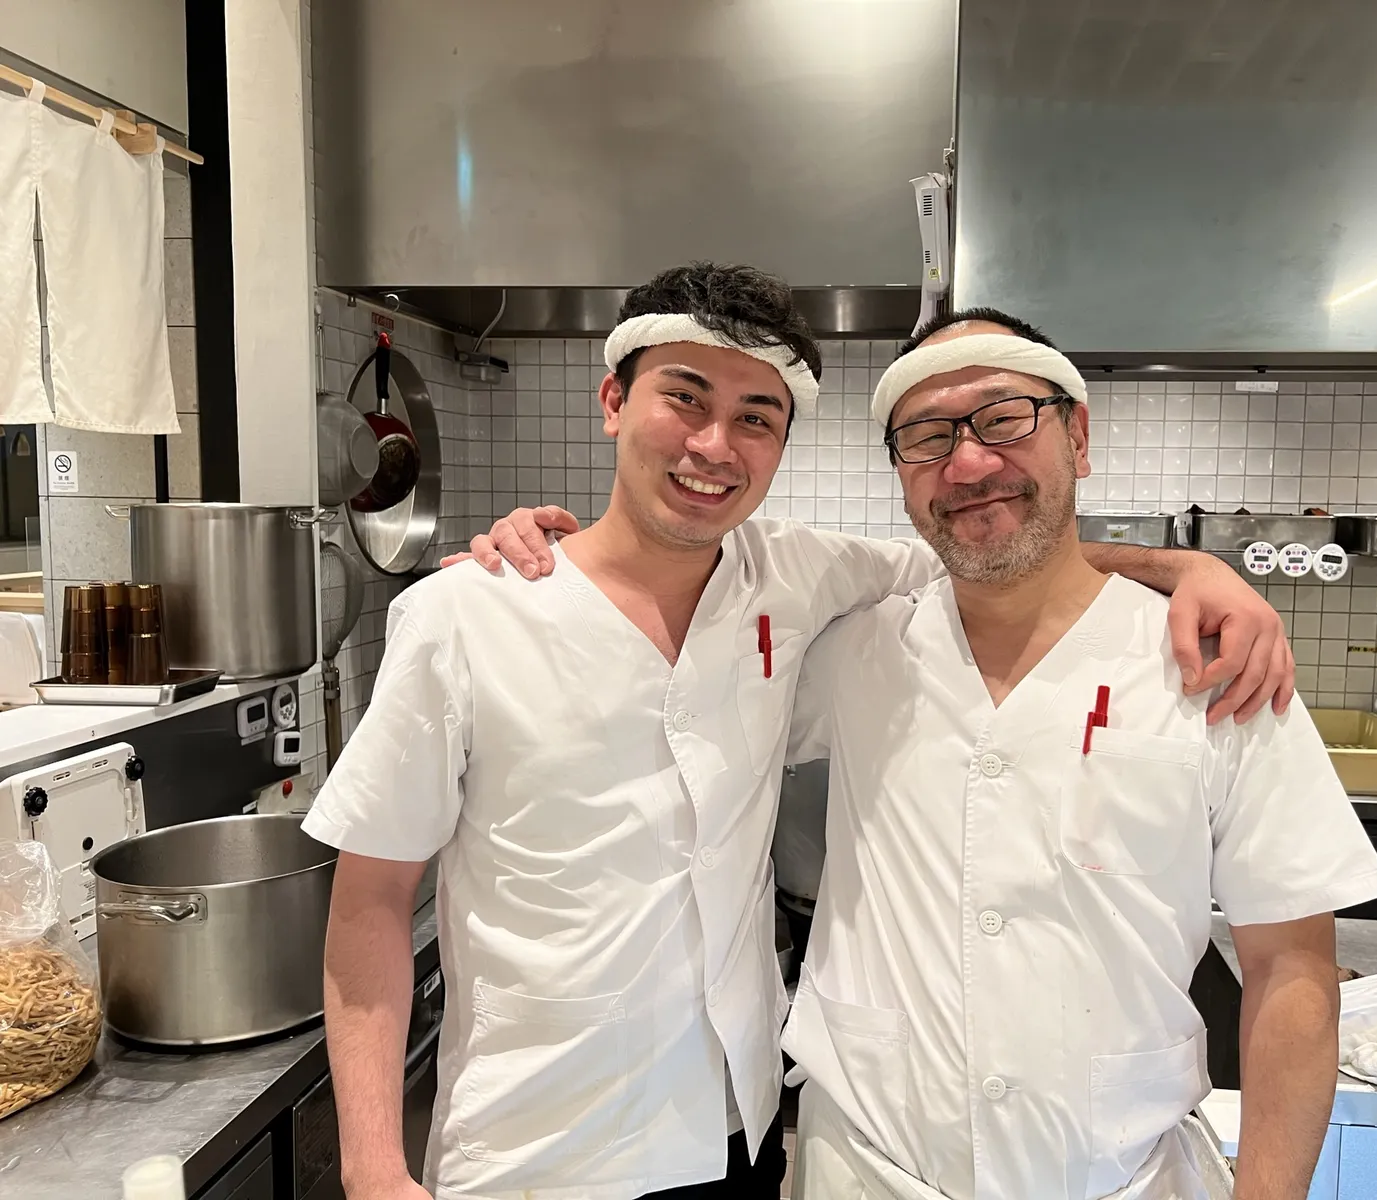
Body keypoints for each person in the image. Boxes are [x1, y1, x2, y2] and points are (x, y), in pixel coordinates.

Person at [308, 262, 1293, 1200]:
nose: (713, 446)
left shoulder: (802, 576)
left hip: (728, 1131)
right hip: (533, 1146)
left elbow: (996, 549)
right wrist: (370, 1167)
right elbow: (371, 905)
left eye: (756, 418)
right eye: (683, 398)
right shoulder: (465, 617)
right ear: (613, 402)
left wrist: (1188, 568)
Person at [779, 310, 1377, 1200]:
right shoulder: (850, 654)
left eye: (1005, 417)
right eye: (925, 436)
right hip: (865, 1169)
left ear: (1079, 434)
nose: (969, 462)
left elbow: (1291, 968)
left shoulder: (1219, 667)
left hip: (1119, 1174)